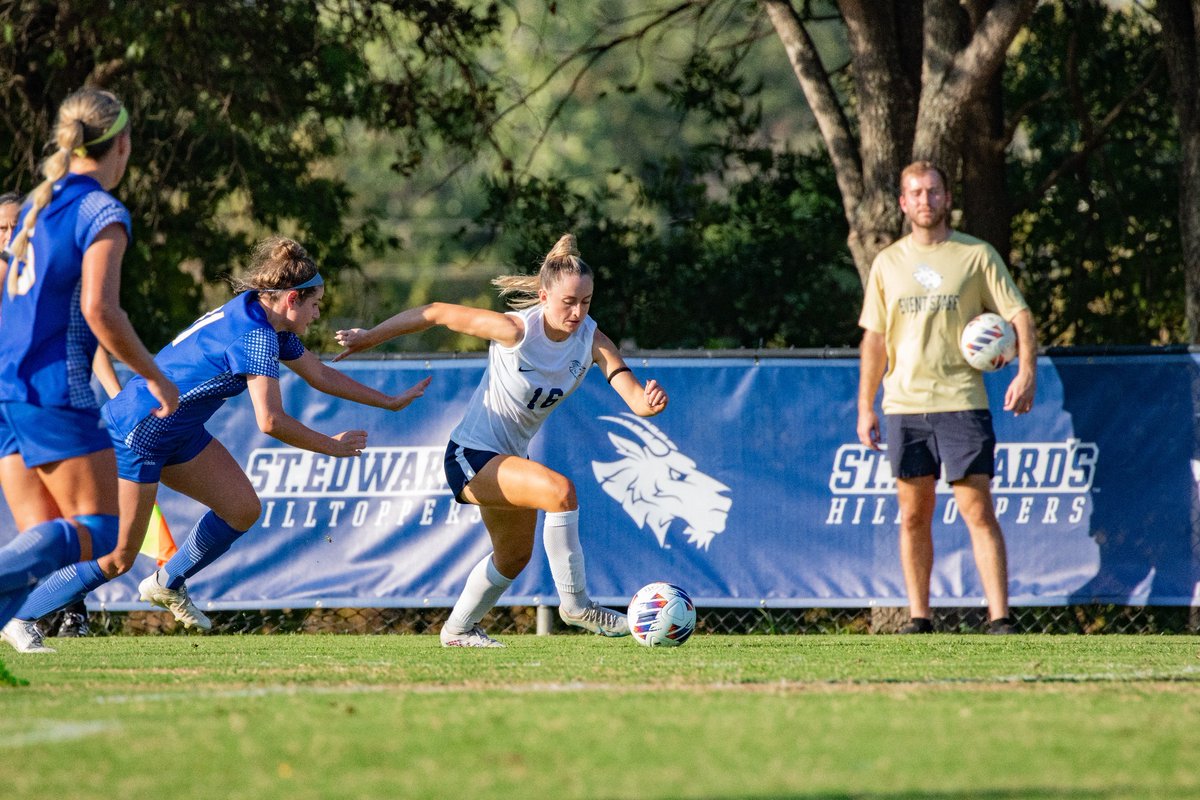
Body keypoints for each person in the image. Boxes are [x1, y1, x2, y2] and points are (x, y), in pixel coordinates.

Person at [5, 236, 431, 637]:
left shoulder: (260, 314)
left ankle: (167, 582)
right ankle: (19, 616)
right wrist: (331, 447)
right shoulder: (258, 335)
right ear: (291, 298)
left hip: (178, 431)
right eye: (316, 304)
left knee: (242, 509)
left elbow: (318, 374)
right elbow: (271, 421)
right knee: (117, 559)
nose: (319, 313)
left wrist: (389, 401)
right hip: (138, 431)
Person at [335, 233, 669, 647]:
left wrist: (648, 403)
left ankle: (457, 631)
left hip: (508, 457)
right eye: (569, 302)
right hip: (470, 456)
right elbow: (435, 312)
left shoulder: (591, 338)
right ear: (544, 296)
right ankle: (577, 606)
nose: (578, 311)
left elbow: (633, 395)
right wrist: (368, 338)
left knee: (513, 558)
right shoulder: (514, 330)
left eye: (586, 301)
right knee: (560, 492)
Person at [0, 88, 180, 657]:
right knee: (102, 532)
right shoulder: (101, 211)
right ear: (122, 144)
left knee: (44, 537)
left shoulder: (37, 203)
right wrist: (153, 376)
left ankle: (14, 626)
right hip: (54, 386)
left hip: (12, 386)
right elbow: (100, 312)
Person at [856, 161, 1036, 635]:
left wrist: (1026, 370)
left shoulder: (976, 256)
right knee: (914, 515)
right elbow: (874, 341)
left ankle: (1000, 618)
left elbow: (1019, 315)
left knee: (978, 510)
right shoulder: (888, 262)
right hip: (904, 406)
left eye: (933, 191)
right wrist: (864, 406)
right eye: (915, 193)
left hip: (961, 401)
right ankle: (919, 617)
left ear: (947, 196)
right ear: (902, 202)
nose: (925, 200)